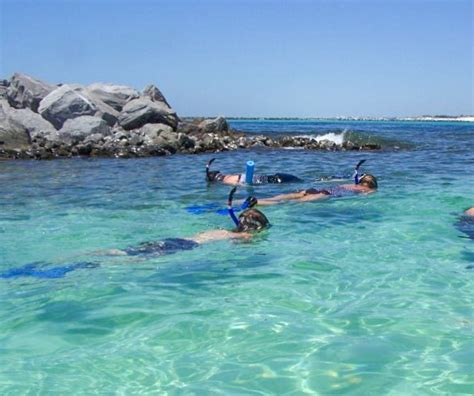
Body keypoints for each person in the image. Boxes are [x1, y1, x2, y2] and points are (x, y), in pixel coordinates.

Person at [104, 188, 270, 257]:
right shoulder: (243, 235)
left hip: (177, 239)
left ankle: (95, 254)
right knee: (133, 259)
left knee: (126, 252)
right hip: (185, 246)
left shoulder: (222, 230)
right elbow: (246, 243)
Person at [253, 160, 378, 206]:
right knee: (287, 203)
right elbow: (366, 195)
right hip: (325, 194)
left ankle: (256, 200)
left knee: (280, 198)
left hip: (317, 189)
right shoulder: (366, 189)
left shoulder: (352, 185)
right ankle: (257, 203)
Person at [205, 158, 302, 185]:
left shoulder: (227, 180)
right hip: (275, 177)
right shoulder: (229, 178)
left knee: (300, 181)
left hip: (274, 181)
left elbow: (243, 185)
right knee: (300, 181)